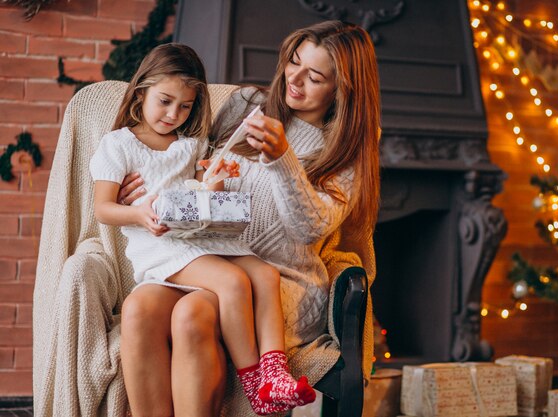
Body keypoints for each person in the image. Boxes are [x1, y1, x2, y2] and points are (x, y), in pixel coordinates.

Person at [117, 20, 381, 416]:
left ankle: (262, 383)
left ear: (342, 88)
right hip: (209, 258)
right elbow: (191, 167)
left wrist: (283, 160)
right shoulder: (244, 105)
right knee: (139, 307)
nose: (295, 79)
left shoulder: (344, 152)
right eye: (293, 62)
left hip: (277, 283)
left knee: (192, 313)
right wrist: (137, 189)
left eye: (314, 76)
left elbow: (311, 228)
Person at [89, 42, 315, 417]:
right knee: (232, 282)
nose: (173, 114)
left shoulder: (189, 145)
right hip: (162, 246)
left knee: (263, 272)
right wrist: (139, 214)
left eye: (185, 106)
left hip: (198, 237)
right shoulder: (118, 145)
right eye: (165, 101)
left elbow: (201, 194)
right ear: (141, 90)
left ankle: (275, 370)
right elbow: (103, 208)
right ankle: (256, 383)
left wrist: (216, 180)